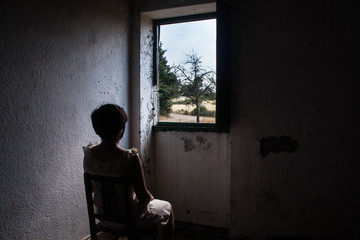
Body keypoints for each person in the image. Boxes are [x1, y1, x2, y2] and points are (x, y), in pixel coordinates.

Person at [83, 104, 174, 240]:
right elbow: (143, 196)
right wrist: (151, 198)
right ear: (121, 130)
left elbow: (92, 189)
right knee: (167, 207)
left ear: (97, 129)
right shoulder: (129, 158)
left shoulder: (88, 155)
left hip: (104, 218)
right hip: (129, 219)